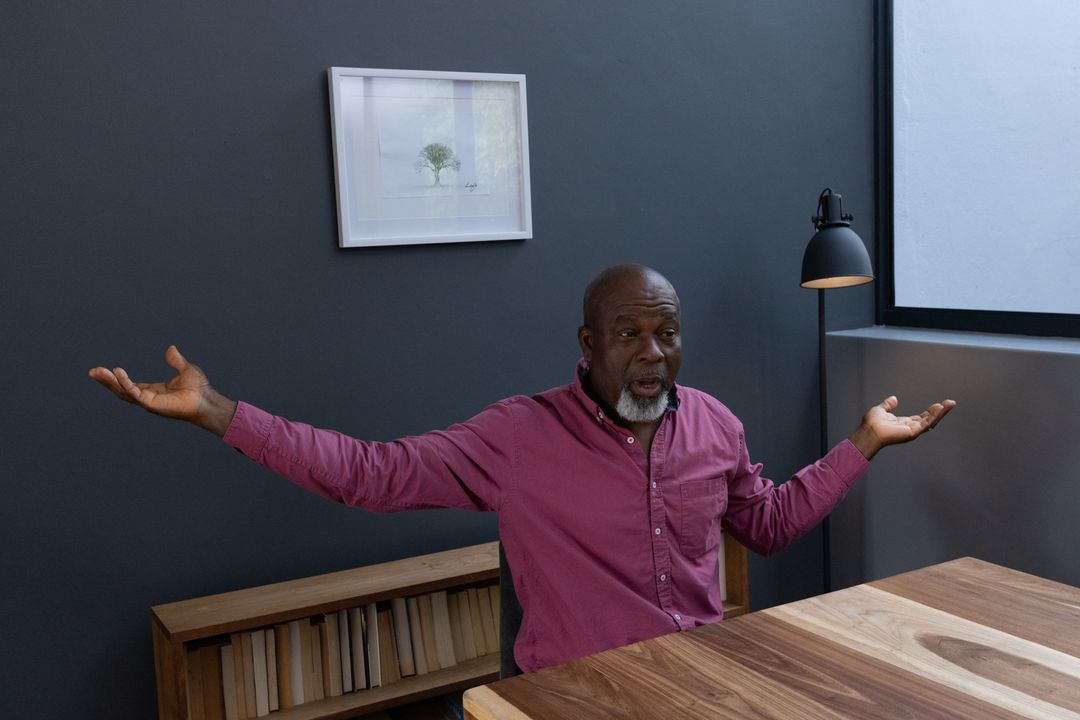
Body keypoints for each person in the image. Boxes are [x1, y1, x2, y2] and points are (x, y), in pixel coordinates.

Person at [89, 264, 954, 672]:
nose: (652, 354)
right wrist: (218, 411)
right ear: (588, 343)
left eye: (666, 333)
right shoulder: (517, 436)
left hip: (699, 678)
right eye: (629, 334)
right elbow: (369, 474)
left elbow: (765, 526)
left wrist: (863, 441)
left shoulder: (715, 424)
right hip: (575, 696)